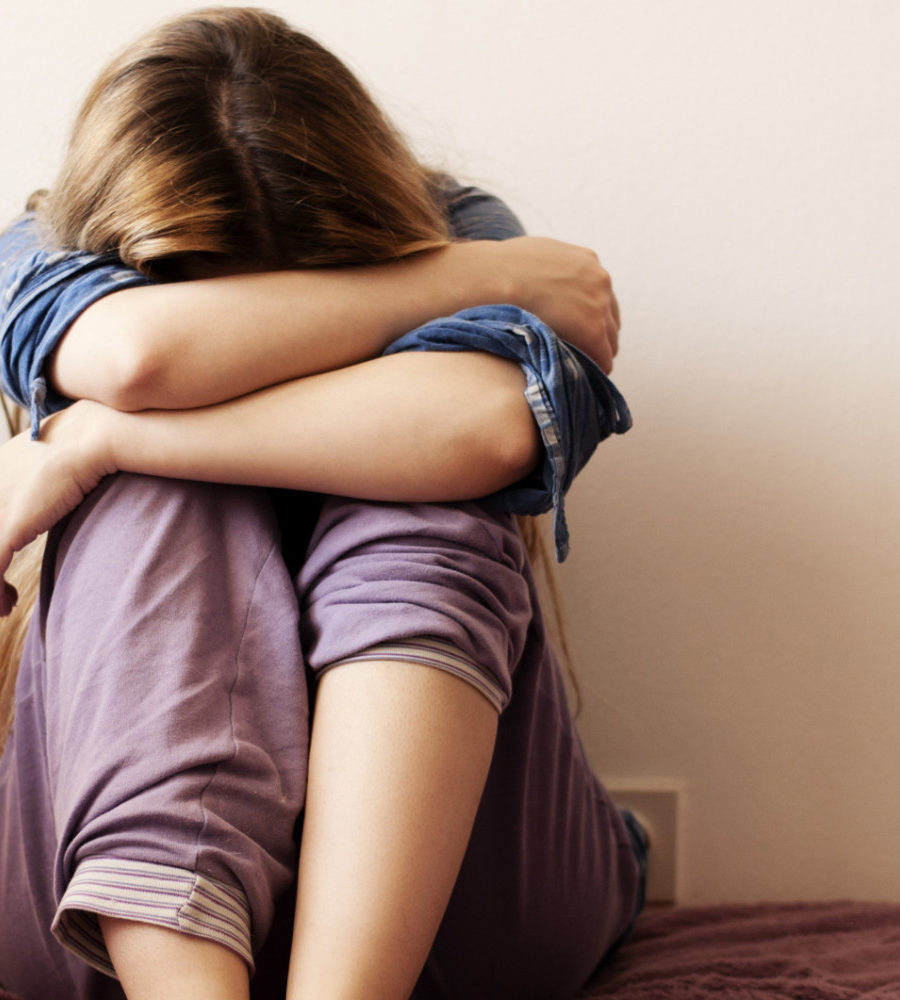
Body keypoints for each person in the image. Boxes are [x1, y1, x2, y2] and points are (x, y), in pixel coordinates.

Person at [0, 8, 643, 999]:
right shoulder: (42, 245)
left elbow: (478, 428)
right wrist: (485, 279)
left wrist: (104, 436)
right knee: (158, 498)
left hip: (462, 909)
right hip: (94, 909)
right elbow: (136, 360)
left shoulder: (451, 219)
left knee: (423, 504)